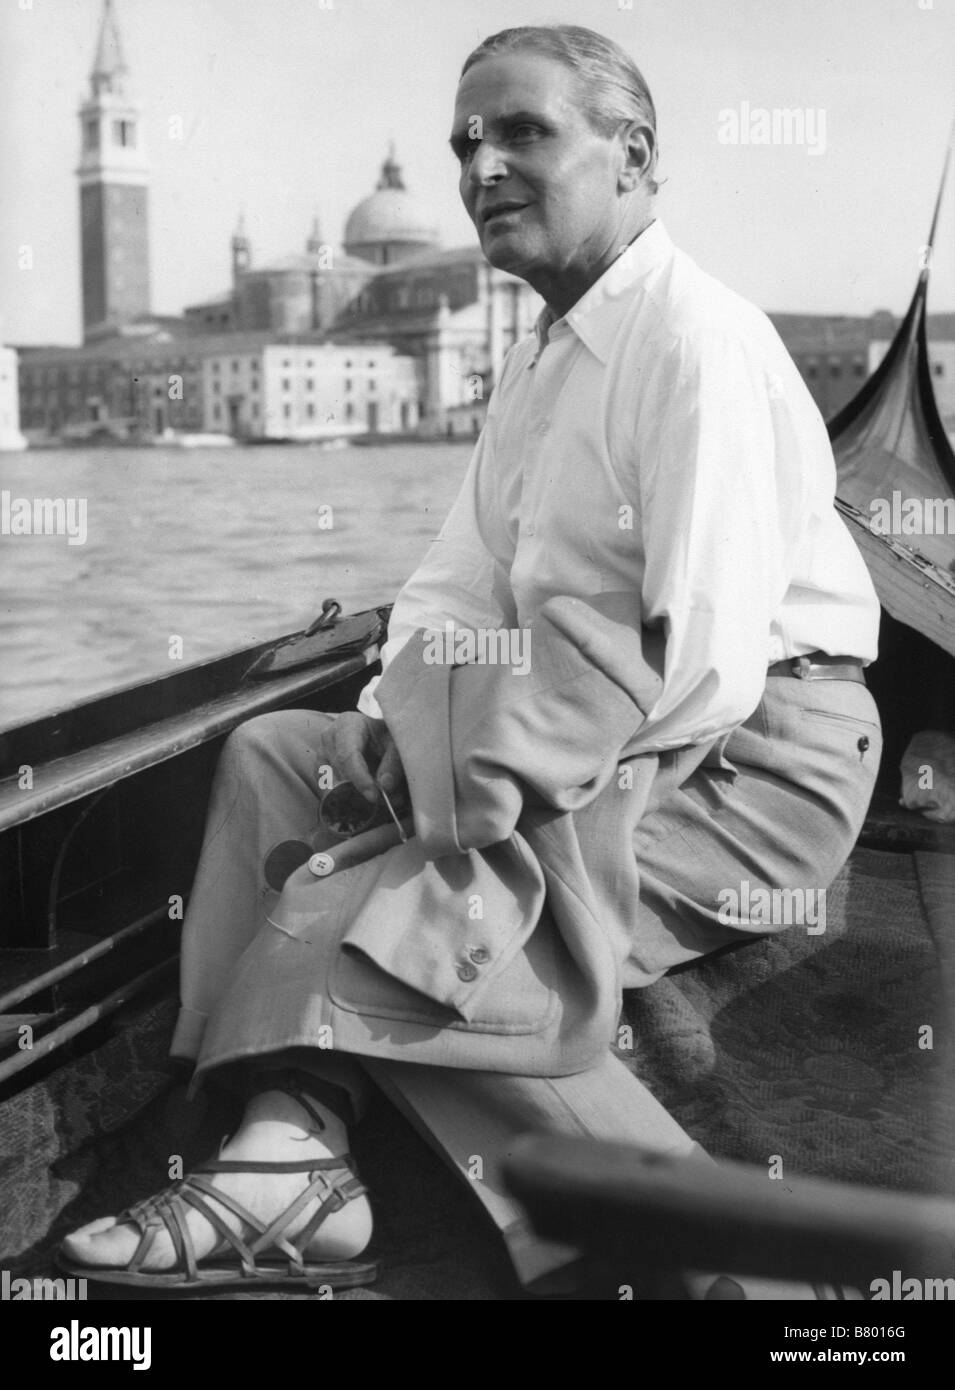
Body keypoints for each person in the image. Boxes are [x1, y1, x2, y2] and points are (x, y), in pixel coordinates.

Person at [60, 24, 883, 1297]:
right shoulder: (540, 356)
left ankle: (727, 1273)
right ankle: (287, 1119)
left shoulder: (696, 344)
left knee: (412, 902)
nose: (480, 165)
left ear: (633, 156)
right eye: (464, 143)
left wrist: (471, 805)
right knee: (279, 758)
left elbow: (703, 672)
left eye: (522, 134)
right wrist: (397, 739)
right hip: (562, 713)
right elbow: (451, 588)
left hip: (744, 762)